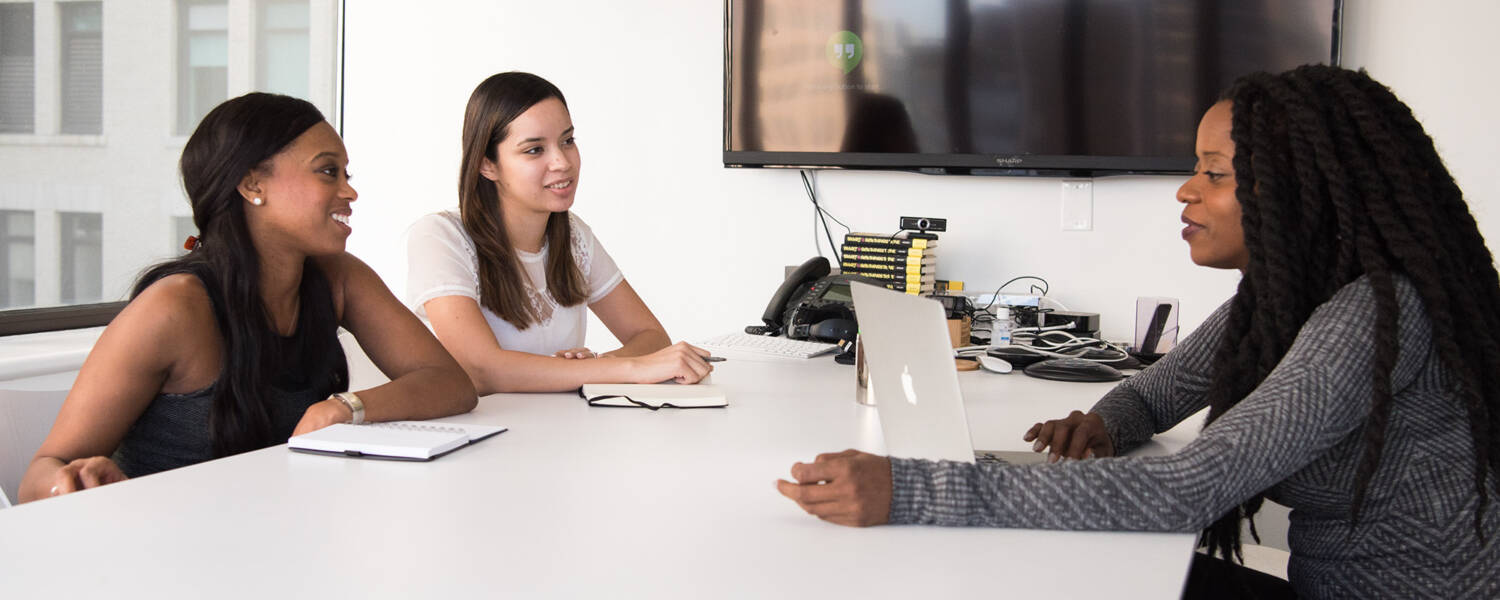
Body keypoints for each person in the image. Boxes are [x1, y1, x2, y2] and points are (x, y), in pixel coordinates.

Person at [776, 65, 1500, 598]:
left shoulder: (1377, 313)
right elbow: (1158, 394)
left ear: (1301, 188)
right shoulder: (1288, 299)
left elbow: (1191, 489)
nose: (1185, 190)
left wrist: (914, 492)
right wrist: (1106, 421)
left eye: (1214, 173)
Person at [18, 93, 477, 503]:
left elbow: (450, 384)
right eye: (327, 171)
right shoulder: (174, 308)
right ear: (253, 184)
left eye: (345, 173)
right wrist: (72, 482)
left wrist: (344, 407)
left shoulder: (339, 278)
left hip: (278, 535)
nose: (349, 190)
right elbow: (40, 476)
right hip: (167, 553)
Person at [407, 72, 712, 394]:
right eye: (535, 150)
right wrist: (614, 369)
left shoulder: (573, 234)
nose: (562, 162)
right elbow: (482, 370)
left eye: (567, 141)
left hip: (561, 430)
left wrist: (591, 367)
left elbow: (650, 336)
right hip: (483, 435)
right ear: (487, 165)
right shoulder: (440, 237)